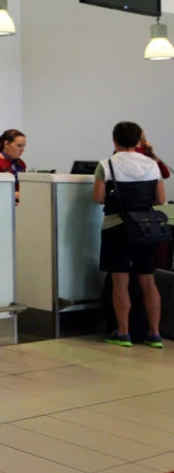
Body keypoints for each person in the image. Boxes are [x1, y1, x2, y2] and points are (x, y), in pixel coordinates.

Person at [94, 121, 166, 348]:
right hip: (146, 227)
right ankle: (154, 334)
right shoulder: (153, 165)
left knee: (120, 282)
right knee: (148, 281)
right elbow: (160, 199)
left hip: (117, 226)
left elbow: (98, 197)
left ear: (114, 141)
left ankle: (123, 332)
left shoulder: (106, 165)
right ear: (139, 141)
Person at [0, 129, 27, 201]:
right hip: (0, 203)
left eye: (23, 146)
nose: (22, 150)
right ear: (6, 144)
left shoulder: (21, 164)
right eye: (19, 146)